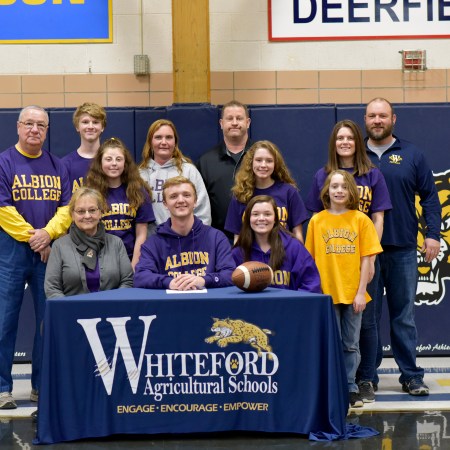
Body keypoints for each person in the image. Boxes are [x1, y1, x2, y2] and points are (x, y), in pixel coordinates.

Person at [305, 119, 392, 403]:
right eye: (340, 138)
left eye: (350, 137)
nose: (339, 190)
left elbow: (378, 220)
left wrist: (370, 264)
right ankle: (333, 385)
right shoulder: (318, 218)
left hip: (356, 280)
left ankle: (357, 383)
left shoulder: (363, 210)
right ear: (327, 190)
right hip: (329, 287)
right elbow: (311, 256)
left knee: (357, 335)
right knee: (330, 339)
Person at [364, 98, 442, 396]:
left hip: (404, 248)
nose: (377, 120)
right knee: (367, 318)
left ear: (393, 119)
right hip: (365, 253)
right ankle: (366, 376)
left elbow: (430, 197)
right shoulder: (354, 153)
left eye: (382, 115)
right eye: (372, 115)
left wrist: (432, 235)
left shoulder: (412, 154)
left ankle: (411, 375)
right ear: (365, 119)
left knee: (404, 316)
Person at [0, 106, 72, 410]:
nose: (34, 129)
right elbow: (3, 208)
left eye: (41, 125)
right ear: (18, 126)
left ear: (47, 130)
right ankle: (2, 389)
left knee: (46, 322)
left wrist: (48, 234)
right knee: (5, 321)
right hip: (12, 253)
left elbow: (67, 208)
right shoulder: (4, 162)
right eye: (29, 123)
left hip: (48, 253)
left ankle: (41, 387)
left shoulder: (58, 165)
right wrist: (36, 237)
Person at [134, 176, 235, 291]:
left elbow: (230, 274)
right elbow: (140, 277)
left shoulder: (216, 238)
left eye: (186, 195)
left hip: (207, 301)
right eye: (173, 196)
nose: (181, 200)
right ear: (165, 204)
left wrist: (204, 280)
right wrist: (169, 282)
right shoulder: (153, 243)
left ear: (195, 201)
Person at [44, 187, 133, 298]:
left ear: (100, 213)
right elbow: (52, 288)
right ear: (72, 215)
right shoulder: (59, 246)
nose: (87, 216)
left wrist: (112, 304)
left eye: (92, 210)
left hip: (112, 308)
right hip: (71, 309)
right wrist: (68, 307)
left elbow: (127, 281)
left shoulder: (116, 243)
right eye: (81, 211)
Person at [86, 137, 155, 269]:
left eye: (118, 159)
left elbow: (141, 234)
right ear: (100, 162)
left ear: (125, 163)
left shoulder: (138, 192)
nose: (114, 163)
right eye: (108, 159)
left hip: (129, 258)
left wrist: (133, 266)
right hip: (99, 261)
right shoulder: (90, 192)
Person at [232, 195, 321, 293]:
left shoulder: (294, 248)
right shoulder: (239, 252)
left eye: (267, 214)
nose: (261, 218)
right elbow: (230, 289)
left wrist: (294, 301)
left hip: (288, 303)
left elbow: (311, 283)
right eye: (255, 214)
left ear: (275, 219)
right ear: (248, 219)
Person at [225, 140, 309, 243]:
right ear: (251, 162)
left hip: (283, 251)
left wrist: (299, 253)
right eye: (259, 160)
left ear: (275, 164)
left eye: (269, 161)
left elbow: (298, 234)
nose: (263, 165)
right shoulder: (240, 194)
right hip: (251, 252)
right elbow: (237, 238)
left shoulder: (289, 192)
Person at [139, 119, 211, 227]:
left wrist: (197, 235)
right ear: (150, 142)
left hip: (186, 235)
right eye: (158, 137)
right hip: (151, 236)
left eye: (169, 137)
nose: (164, 142)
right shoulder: (140, 174)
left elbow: (202, 211)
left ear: (175, 142)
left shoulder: (189, 171)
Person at [197, 100, 253, 236]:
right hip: (219, 238)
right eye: (229, 118)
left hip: (258, 238)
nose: (234, 123)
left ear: (248, 122)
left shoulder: (262, 158)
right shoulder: (206, 162)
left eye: (239, 118)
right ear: (221, 124)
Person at [62, 102, 107, 193]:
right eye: (85, 122)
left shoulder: (112, 162)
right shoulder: (65, 164)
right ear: (77, 127)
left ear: (102, 127)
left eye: (95, 122)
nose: (90, 126)